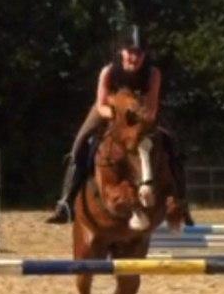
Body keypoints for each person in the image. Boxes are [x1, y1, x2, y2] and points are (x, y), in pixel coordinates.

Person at [46, 41, 194, 225]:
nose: (134, 58)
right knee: (80, 143)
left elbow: (151, 106)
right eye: (130, 53)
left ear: (144, 56)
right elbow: (101, 104)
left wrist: (140, 124)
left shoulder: (152, 73)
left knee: (172, 143)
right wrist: (117, 118)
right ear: (122, 53)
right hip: (110, 112)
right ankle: (65, 203)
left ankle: (181, 202)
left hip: (142, 113)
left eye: (138, 54)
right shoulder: (109, 71)